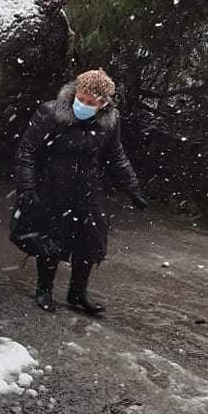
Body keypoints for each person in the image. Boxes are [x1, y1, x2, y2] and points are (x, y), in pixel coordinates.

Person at [12, 69, 148, 315]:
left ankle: (77, 293)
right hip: (52, 185)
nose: (83, 104)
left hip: (89, 188)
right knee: (51, 238)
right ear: (75, 91)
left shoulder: (110, 121)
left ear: (103, 104)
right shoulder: (50, 113)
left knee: (90, 241)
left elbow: (116, 155)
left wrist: (132, 187)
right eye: (81, 98)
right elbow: (27, 152)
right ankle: (44, 289)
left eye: (91, 102)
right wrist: (27, 188)